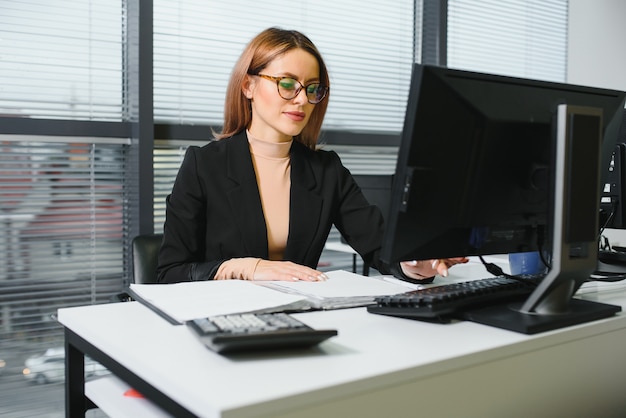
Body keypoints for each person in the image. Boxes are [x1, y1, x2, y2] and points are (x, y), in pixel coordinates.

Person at [156, 27, 467, 284]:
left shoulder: (326, 170)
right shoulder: (204, 164)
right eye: (287, 84)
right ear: (248, 85)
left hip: (300, 323)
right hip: (221, 324)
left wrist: (418, 262)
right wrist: (248, 268)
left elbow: (381, 249)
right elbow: (170, 273)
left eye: (313, 89)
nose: (303, 100)